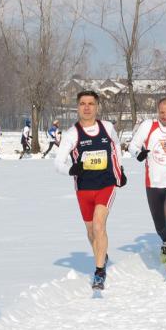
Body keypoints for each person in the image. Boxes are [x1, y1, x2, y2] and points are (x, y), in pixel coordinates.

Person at [54, 90, 126, 290]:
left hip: (106, 184)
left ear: (97, 107)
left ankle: (99, 272)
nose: (87, 107)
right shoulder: (72, 134)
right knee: (91, 231)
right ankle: (101, 253)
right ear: (77, 107)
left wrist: (120, 170)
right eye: (83, 104)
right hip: (84, 188)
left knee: (98, 225)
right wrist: (71, 169)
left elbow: (116, 147)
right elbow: (58, 163)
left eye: (91, 104)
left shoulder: (107, 127)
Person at [129, 97, 166, 279]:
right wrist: (138, 154)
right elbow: (133, 146)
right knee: (159, 224)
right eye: (161, 112)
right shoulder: (148, 126)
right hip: (153, 182)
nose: (164, 116)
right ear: (158, 112)